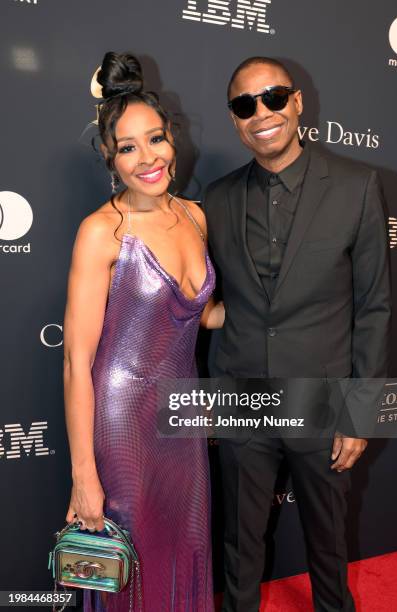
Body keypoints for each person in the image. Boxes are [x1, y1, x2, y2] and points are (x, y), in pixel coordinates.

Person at [202, 57, 391, 611]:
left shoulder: (358, 187)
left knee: (329, 547)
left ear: (297, 101)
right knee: (239, 547)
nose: (261, 113)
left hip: (322, 403)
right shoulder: (214, 198)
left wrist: (359, 413)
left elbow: (375, 307)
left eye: (274, 97)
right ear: (235, 119)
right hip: (242, 403)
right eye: (245, 105)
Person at [63, 51, 222, 611]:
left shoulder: (195, 216)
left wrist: (273, 309)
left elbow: (196, 315)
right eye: (129, 147)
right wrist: (84, 476)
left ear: (171, 138)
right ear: (111, 156)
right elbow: (77, 362)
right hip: (123, 419)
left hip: (183, 416)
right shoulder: (102, 232)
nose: (147, 158)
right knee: (130, 559)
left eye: (155, 139)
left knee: (184, 542)